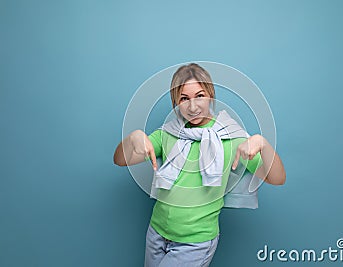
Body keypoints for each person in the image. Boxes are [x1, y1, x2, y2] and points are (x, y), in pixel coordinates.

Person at [113, 63, 286, 267]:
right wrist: (133, 138)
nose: (193, 107)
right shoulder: (168, 133)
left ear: (211, 95)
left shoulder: (231, 138)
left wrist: (264, 144)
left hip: (195, 242)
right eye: (184, 99)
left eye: (200, 96)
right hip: (156, 233)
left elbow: (277, 179)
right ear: (176, 102)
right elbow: (120, 160)